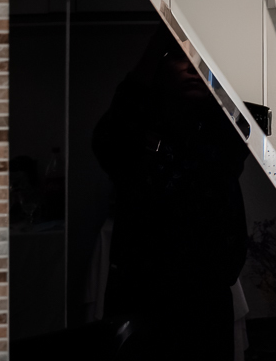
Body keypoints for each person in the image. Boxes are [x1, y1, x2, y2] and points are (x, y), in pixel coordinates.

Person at [93, 25, 249, 360]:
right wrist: (157, 45)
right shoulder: (133, 131)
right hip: (144, 301)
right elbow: (110, 138)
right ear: (159, 66)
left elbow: (242, 132)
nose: (193, 68)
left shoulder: (220, 133)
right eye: (180, 58)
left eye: (201, 62)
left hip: (207, 303)